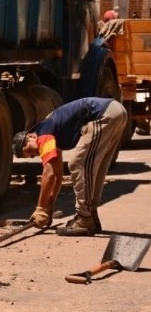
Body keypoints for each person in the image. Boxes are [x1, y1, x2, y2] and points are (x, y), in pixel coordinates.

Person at [12, 97, 127, 236]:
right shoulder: (52, 132)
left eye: (29, 150)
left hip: (103, 113)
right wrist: (50, 206)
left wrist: (40, 208)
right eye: (30, 156)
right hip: (115, 112)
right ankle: (90, 215)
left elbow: (48, 173)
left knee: (78, 163)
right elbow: (58, 174)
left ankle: (85, 218)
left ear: (30, 136)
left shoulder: (43, 134)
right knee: (95, 167)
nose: (33, 154)